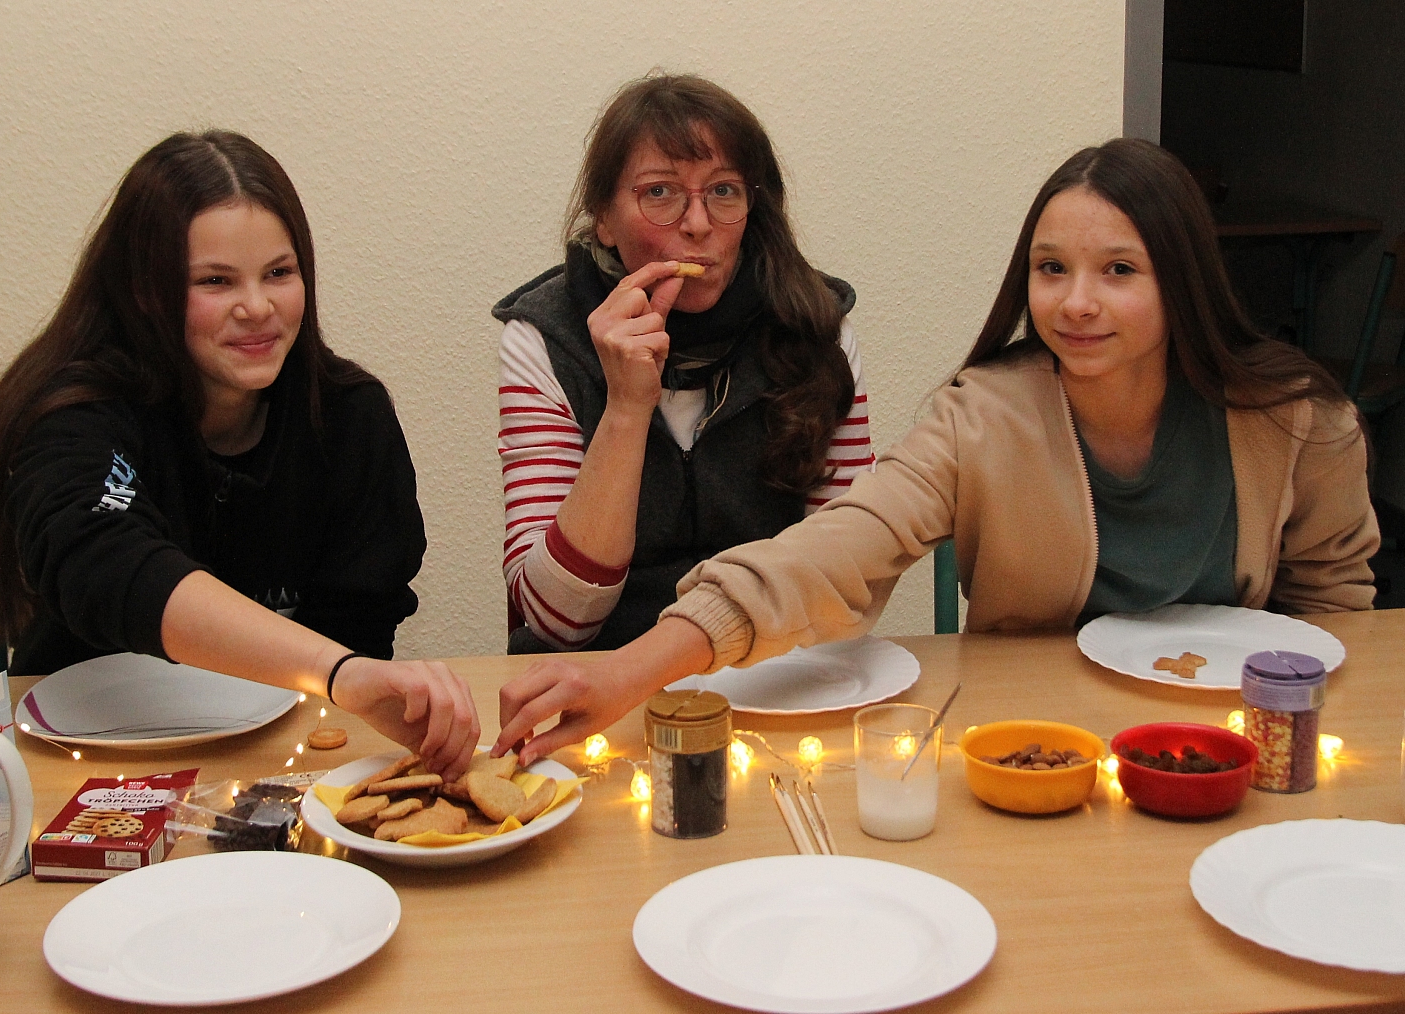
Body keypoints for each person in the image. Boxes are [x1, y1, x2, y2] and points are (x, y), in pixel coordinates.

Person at [495, 137, 1379, 765]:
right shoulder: (981, 417)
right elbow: (829, 553)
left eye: (1119, 270)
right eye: (1050, 269)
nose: (1076, 303)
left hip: (1231, 742)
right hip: (1035, 743)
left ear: (1182, 280)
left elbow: (1337, 618)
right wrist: (628, 673)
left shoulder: (1298, 421)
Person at [0, 130, 478, 776]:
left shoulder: (351, 415)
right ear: (143, 290)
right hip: (81, 762)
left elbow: (362, 620)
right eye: (215, 281)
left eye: (279, 273)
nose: (257, 307)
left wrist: (357, 681)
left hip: (285, 756)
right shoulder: (73, 414)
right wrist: (340, 672)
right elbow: (106, 562)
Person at [493, 74, 873, 654]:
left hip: (776, 667)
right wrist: (626, 408)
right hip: (595, 677)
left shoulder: (817, 327)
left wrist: (702, 645)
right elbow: (556, 620)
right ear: (605, 218)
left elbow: (848, 583)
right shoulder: (544, 339)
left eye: (723, 191)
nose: (698, 224)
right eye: (660, 193)